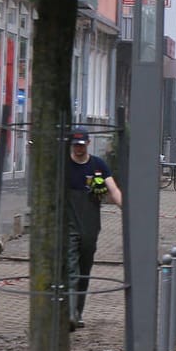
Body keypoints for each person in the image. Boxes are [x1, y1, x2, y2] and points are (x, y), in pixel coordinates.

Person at [65, 129, 122, 331]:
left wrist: (125, 207)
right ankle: (70, 313)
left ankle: (78, 313)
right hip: (69, 224)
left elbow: (113, 190)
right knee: (71, 268)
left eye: (81, 145)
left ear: (88, 144)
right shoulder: (64, 166)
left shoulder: (98, 165)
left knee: (84, 270)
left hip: (90, 226)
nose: (78, 148)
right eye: (75, 145)